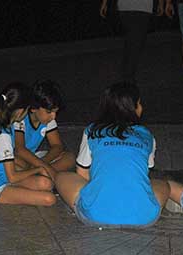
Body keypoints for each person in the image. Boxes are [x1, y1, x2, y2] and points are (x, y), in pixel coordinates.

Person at [55, 82, 170, 227]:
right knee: (162, 184)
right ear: (133, 108)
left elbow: (82, 173)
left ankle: (89, 205)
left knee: (61, 177)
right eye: (139, 103)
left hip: (95, 215)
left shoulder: (93, 131)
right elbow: (144, 174)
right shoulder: (147, 135)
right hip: (144, 218)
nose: (141, 107)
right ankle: (142, 207)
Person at [0, 83, 57, 206]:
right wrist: (38, 169)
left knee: (46, 184)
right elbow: (13, 177)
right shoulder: (3, 136)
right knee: (49, 199)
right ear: (20, 111)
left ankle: (17, 188)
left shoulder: (5, 124)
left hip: (3, 176)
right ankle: (5, 193)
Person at [11, 80, 76, 181]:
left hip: (34, 159)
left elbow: (57, 146)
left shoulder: (49, 120)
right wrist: (43, 166)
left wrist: (43, 162)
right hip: (17, 157)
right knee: (15, 162)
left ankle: (40, 175)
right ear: (33, 108)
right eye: (49, 112)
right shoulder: (21, 117)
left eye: (55, 112)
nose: (53, 116)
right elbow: (20, 150)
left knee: (69, 157)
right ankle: (43, 175)